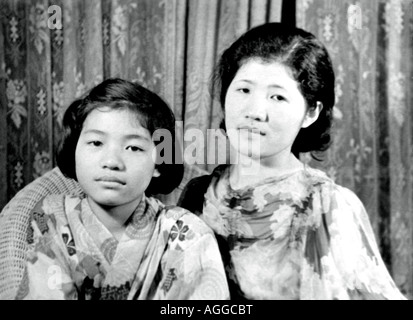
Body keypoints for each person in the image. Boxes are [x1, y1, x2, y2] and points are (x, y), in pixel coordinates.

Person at [178, 23, 406, 300]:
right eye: (244, 90)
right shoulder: (197, 195)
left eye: (277, 96)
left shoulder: (327, 206)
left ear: (311, 112)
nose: (255, 111)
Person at [0, 78, 229, 300]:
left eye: (133, 147)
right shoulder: (51, 217)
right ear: (75, 151)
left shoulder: (186, 232)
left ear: (158, 164)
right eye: (96, 143)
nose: (112, 161)